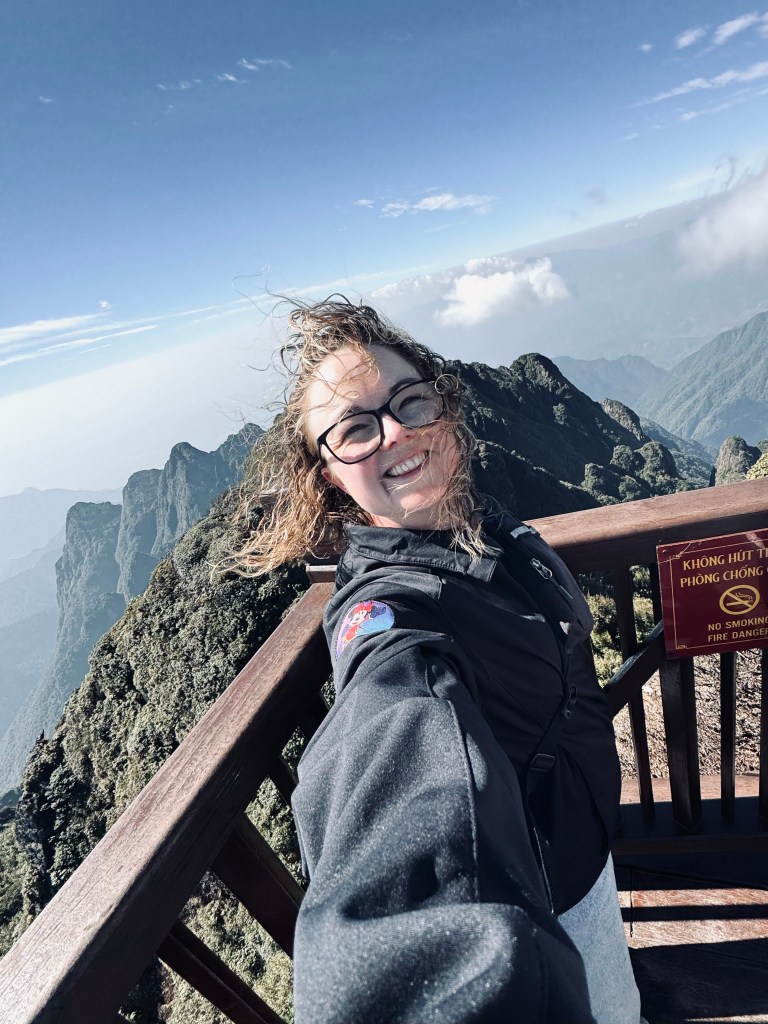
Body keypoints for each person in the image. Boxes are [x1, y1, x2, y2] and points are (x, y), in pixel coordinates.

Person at [233, 297, 645, 1023]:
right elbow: (395, 720)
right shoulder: (388, 612)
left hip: (584, 845)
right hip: (547, 901)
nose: (395, 433)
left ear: (442, 406)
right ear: (330, 473)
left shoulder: (481, 528)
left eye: (408, 401)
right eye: (356, 428)